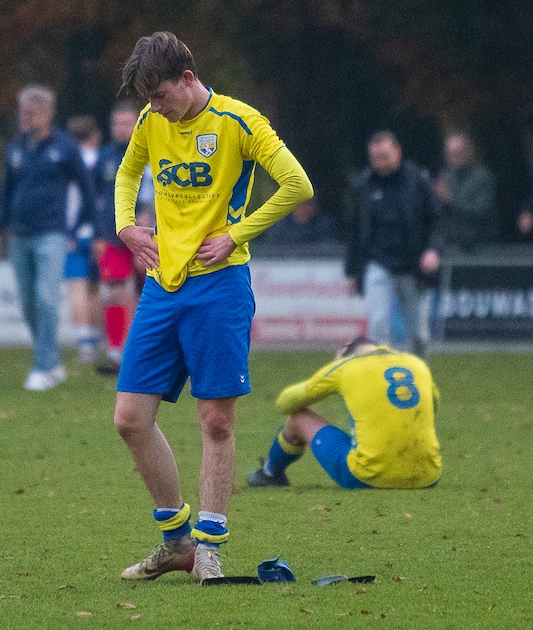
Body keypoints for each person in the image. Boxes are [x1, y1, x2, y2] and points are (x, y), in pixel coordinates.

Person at [112, 32, 313, 583]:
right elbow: (128, 172)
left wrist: (236, 235)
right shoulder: (153, 124)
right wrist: (125, 224)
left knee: (216, 422)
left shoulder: (240, 122)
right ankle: (175, 540)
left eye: (161, 96)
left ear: (186, 77)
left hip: (220, 286)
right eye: (146, 101)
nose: (155, 110)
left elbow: (297, 184)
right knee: (130, 419)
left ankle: (208, 547)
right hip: (162, 286)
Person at [0, 85, 96, 391]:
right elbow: (5, 192)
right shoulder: (16, 147)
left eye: (30, 112)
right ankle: (51, 359)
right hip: (19, 234)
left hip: (52, 233)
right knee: (28, 303)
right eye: (22, 111)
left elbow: (87, 192)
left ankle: (43, 366)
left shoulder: (65, 147)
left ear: (47, 114)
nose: (24, 117)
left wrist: (80, 229)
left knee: (47, 299)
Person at [246, 336, 441, 490]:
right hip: (428, 476)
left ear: (346, 351)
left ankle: (270, 473)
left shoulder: (347, 365)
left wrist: (334, 371)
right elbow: (433, 406)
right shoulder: (417, 363)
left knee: (298, 418)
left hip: (368, 476)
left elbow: (284, 403)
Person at [344, 130, 442, 358]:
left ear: (398, 152)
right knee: (378, 327)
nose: (380, 162)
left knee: (418, 335)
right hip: (378, 264)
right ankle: (385, 383)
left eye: (385, 156)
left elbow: (436, 220)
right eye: (375, 157)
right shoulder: (363, 186)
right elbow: (355, 231)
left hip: (412, 265)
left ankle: (421, 382)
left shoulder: (418, 180)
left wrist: (433, 250)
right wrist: (351, 271)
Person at [91, 101, 155, 375]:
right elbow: (93, 199)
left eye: (127, 123)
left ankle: (150, 351)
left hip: (149, 234)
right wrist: (96, 233)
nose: (121, 129)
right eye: (116, 124)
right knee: (115, 293)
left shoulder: (153, 151)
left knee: (152, 292)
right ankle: (117, 354)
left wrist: (149, 217)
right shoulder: (104, 157)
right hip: (114, 235)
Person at [64, 115, 104, 364]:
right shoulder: (102, 159)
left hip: (74, 232)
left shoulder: (68, 161)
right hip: (99, 232)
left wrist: (71, 230)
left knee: (76, 287)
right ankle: (99, 339)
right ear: (95, 136)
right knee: (97, 288)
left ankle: (85, 345)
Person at [435, 132, 496, 252]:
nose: (455, 156)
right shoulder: (444, 176)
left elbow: (481, 211)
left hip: (479, 248)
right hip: (450, 246)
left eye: (459, 152)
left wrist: (450, 200)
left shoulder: (483, 176)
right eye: (451, 153)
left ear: (469, 152)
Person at [264, 197, 336, 246]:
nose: (305, 208)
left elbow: (327, 251)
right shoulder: (280, 227)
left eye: (310, 204)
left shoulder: (322, 226)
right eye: (301, 204)